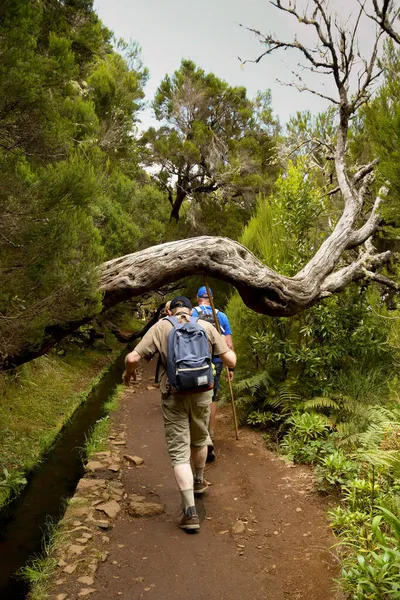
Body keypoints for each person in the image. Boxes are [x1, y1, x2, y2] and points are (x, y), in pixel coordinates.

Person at [123, 296, 236, 532]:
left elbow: (133, 358)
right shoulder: (206, 326)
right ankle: (199, 481)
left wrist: (128, 375)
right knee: (200, 436)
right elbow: (230, 359)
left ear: (169, 310)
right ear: (190, 309)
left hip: (174, 394)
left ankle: (190, 512)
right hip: (203, 392)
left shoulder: (161, 326)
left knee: (179, 453)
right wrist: (228, 364)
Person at [192, 286, 234, 462]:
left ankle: (199, 435)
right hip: (216, 362)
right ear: (212, 298)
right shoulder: (221, 316)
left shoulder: (191, 314)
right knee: (212, 397)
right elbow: (229, 344)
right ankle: (211, 432)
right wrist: (230, 368)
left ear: (197, 298)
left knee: (196, 396)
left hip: (195, 363)